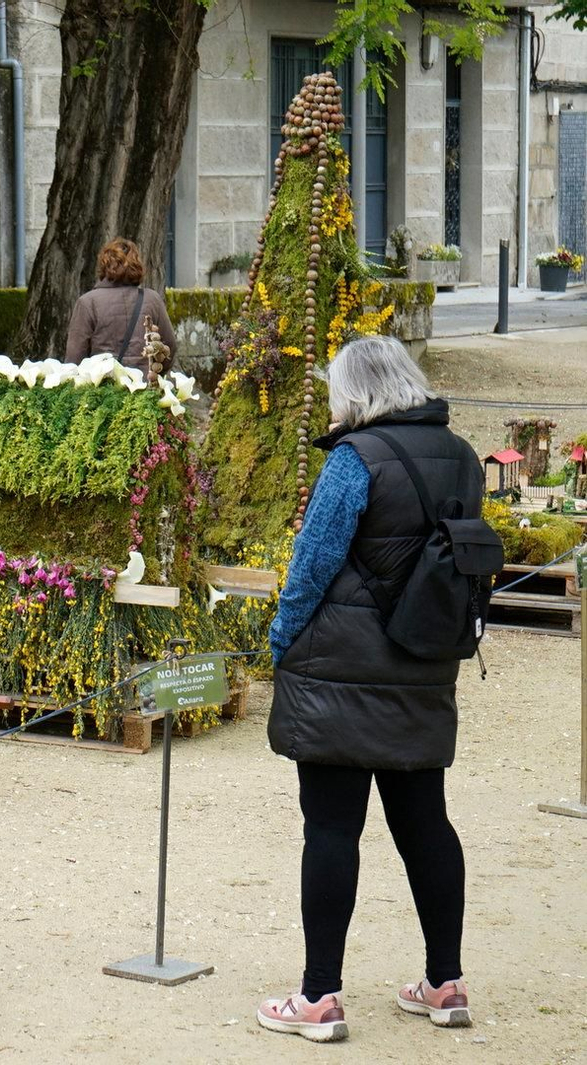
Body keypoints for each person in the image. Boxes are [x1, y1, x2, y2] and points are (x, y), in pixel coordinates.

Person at [256, 335, 482, 1044]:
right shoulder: (464, 457)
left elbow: (314, 560)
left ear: (354, 392)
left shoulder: (355, 459)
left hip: (339, 673)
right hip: (423, 661)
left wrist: (280, 639)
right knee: (425, 825)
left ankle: (319, 995)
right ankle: (444, 983)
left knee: (330, 827)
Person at [64, 238, 176, 371]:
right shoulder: (152, 300)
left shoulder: (88, 302)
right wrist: (154, 374)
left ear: (104, 266)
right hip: (144, 386)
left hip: (103, 388)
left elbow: (74, 358)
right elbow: (169, 346)